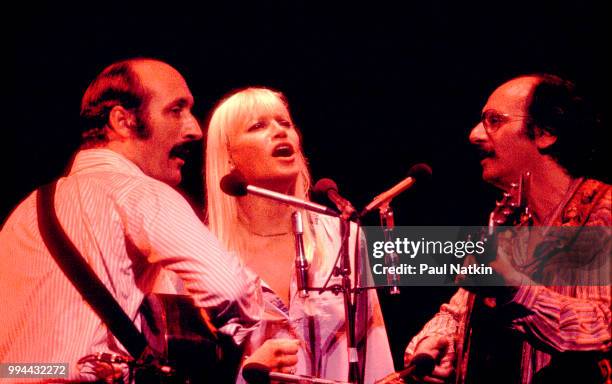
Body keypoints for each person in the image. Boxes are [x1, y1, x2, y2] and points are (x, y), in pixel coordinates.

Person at [0, 58, 259, 382]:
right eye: (176, 110)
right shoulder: (140, 193)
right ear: (122, 120)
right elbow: (228, 289)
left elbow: (13, 363)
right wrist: (244, 347)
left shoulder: (23, 215)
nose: (195, 129)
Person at [404, 74, 611, 383]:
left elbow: (601, 329)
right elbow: (458, 311)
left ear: (545, 132)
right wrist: (436, 342)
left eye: (493, 121)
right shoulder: (512, 225)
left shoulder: (602, 214)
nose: (475, 135)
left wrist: (513, 289)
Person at [204, 87, 395, 383]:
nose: (279, 132)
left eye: (285, 123)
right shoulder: (200, 256)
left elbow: (376, 355)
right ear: (229, 157)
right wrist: (245, 373)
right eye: (258, 126)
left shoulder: (344, 237)